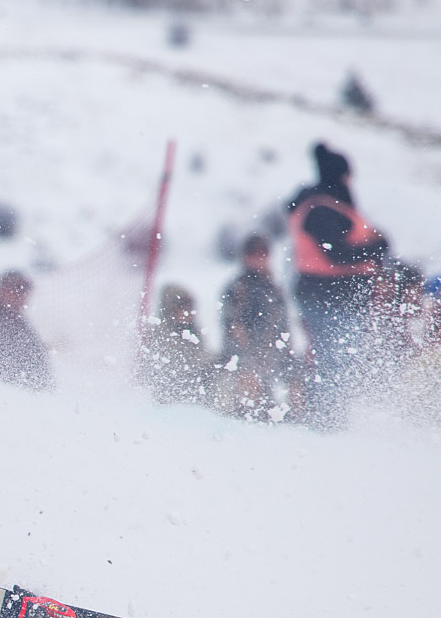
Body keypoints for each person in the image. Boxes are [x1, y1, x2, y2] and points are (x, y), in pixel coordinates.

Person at [287, 142, 390, 431]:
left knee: (340, 363)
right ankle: (325, 424)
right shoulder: (321, 208)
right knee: (334, 362)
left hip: (337, 295)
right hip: (327, 295)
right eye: (347, 175)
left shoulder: (329, 205)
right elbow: (336, 253)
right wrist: (375, 247)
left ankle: (330, 420)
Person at [215, 233, 291, 419]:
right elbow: (231, 330)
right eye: (254, 254)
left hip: (271, 359)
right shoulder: (237, 289)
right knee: (246, 388)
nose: (258, 259)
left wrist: (285, 364)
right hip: (241, 359)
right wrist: (247, 364)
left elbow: (283, 329)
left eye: (262, 254)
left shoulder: (274, 289)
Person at [0, 270, 53, 389]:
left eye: (24, 291)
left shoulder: (17, 320)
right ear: (2, 291)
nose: (22, 296)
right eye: (17, 290)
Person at [138, 284, 215, 406]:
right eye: (182, 309)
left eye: (190, 309)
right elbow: (173, 367)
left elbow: (202, 357)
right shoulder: (160, 334)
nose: (188, 314)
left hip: (193, 392)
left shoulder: (193, 332)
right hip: (167, 396)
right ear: (170, 310)